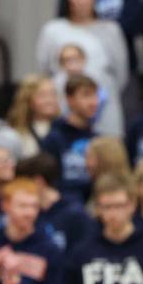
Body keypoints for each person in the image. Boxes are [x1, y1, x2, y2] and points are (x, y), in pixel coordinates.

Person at [36, 0, 129, 123]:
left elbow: (121, 75)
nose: (83, 0)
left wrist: (97, 96)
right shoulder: (53, 30)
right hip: (65, 109)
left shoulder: (111, 29)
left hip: (104, 109)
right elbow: (45, 70)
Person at [41, 74, 100, 207]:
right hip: (65, 206)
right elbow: (49, 181)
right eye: (86, 95)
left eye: (95, 95)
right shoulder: (53, 138)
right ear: (70, 99)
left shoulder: (98, 138)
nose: (93, 102)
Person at [9, 74, 61, 158]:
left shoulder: (64, 128)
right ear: (28, 100)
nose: (50, 100)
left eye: (53, 94)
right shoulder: (17, 134)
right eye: (42, 95)